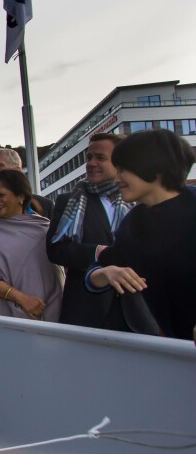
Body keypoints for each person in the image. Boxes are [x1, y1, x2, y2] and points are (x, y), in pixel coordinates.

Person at [87, 129, 196, 339]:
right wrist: (106, 273)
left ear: (154, 167)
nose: (116, 179)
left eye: (123, 170)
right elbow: (96, 273)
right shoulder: (133, 224)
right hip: (177, 350)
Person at [46, 133, 131, 328]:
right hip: (86, 310)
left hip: (134, 312)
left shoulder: (137, 201)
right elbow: (55, 250)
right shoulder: (69, 201)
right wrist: (96, 252)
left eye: (100, 158)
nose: (91, 163)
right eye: (89, 157)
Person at [0, 169, 64, 321]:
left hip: (47, 314)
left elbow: (56, 276)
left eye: (1, 195)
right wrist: (21, 298)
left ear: (21, 197)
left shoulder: (44, 228)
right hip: (5, 319)